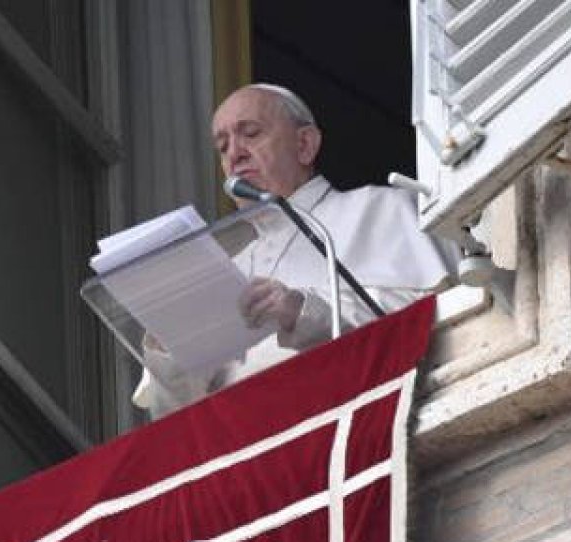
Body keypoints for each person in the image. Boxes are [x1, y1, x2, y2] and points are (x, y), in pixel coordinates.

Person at [132, 84, 457, 418]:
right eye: (223, 145)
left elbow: (425, 321)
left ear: (304, 145)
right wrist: (168, 350)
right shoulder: (224, 272)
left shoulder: (381, 208)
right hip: (248, 451)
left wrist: (301, 312)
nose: (234, 154)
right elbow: (172, 418)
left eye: (251, 133)